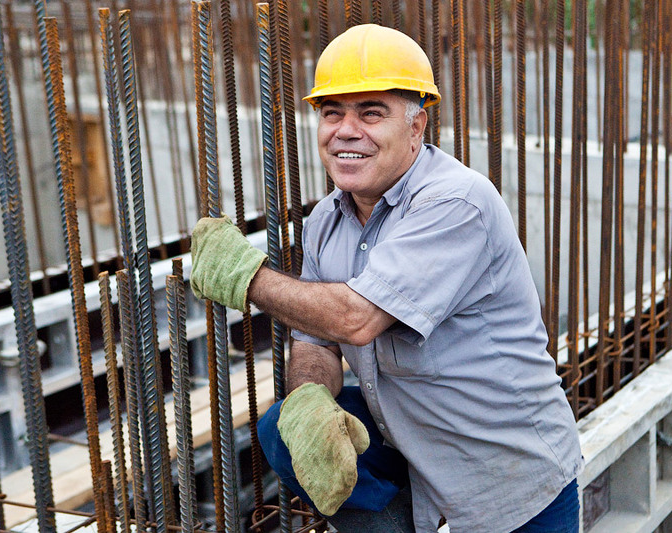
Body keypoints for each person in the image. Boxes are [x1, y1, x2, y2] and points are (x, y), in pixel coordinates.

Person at [190, 23, 584, 533]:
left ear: (417, 126)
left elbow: (354, 319)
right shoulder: (325, 222)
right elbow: (316, 340)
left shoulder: (456, 203)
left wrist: (245, 275)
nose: (346, 131)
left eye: (371, 113)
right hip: (413, 448)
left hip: (508, 480)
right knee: (282, 427)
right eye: (332, 113)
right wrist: (311, 395)